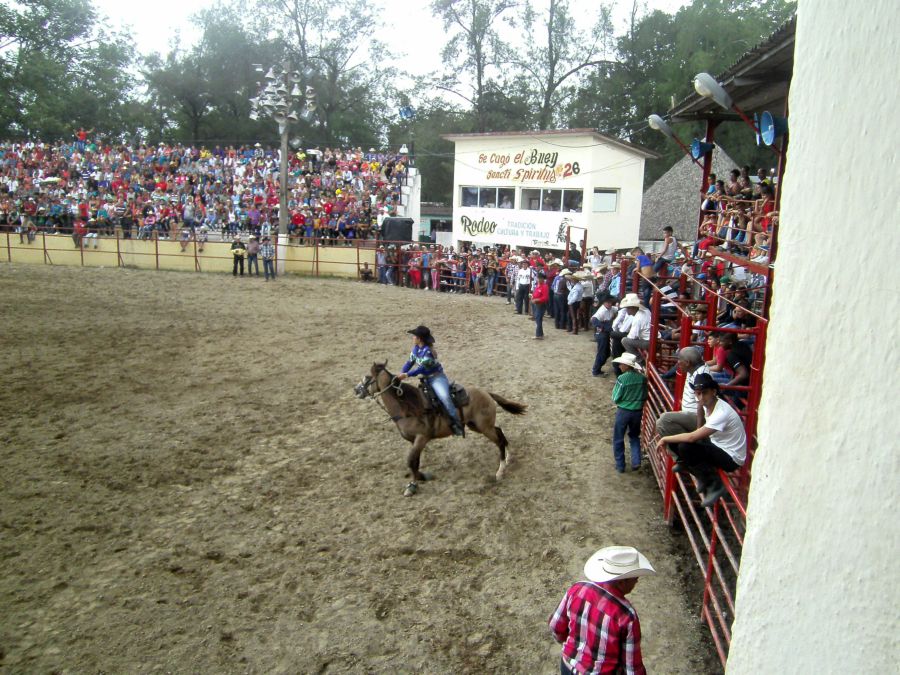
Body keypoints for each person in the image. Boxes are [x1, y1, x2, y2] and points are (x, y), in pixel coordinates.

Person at [549, 545, 655, 675]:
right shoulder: (626, 616)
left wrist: (574, 646)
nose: (637, 582)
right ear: (622, 582)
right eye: (635, 579)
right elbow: (632, 668)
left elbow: (555, 626)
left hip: (568, 666)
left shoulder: (578, 589)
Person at [657, 373, 747, 507]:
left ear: (713, 391)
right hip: (718, 445)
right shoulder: (711, 404)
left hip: (731, 457)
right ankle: (698, 472)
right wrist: (700, 404)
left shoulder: (721, 413)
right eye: (697, 393)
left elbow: (692, 437)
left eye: (704, 393)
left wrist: (664, 438)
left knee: (685, 447)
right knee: (682, 444)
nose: (700, 397)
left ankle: (714, 482)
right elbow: (698, 426)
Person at [396, 326, 465, 437]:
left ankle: (457, 424)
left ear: (420, 339)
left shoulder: (428, 352)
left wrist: (407, 375)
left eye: (414, 336)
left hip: (437, 378)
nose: (413, 338)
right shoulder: (416, 349)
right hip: (425, 379)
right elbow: (409, 362)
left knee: (445, 397)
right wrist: (401, 373)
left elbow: (422, 368)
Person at [654, 347, 710, 437]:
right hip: (690, 413)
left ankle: (690, 441)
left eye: (679, 360)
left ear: (687, 363)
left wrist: (699, 431)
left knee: (664, 419)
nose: (678, 363)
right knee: (661, 422)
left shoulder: (700, 376)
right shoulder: (693, 367)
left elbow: (701, 404)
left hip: (697, 416)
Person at [610, 353, 646, 472]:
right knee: (634, 435)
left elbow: (615, 397)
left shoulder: (622, 379)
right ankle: (636, 461)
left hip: (624, 411)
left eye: (621, 364)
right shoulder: (642, 378)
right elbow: (645, 395)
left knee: (618, 437)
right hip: (637, 411)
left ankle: (620, 465)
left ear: (626, 366)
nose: (619, 366)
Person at [590, 295, 616, 376]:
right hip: (602, 334)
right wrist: (604, 327)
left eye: (610, 302)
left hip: (604, 333)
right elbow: (593, 320)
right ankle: (596, 370)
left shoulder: (611, 308)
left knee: (606, 352)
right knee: (602, 352)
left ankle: (597, 369)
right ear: (604, 303)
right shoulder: (602, 311)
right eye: (607, 302)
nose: (609, 303)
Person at [531, 270, 550, 340]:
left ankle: (538, 334)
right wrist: (533, 297)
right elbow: (535, 293)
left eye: (539, 278)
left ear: (542, 279)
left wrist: (536, 299)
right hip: (536, 304)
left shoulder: (544, 286)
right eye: (538, 278)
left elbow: (545, 298)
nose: (538, 279)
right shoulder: (538, 285)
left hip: (541, 304)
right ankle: (540, 334)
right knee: (537, 318)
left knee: (538, 319)